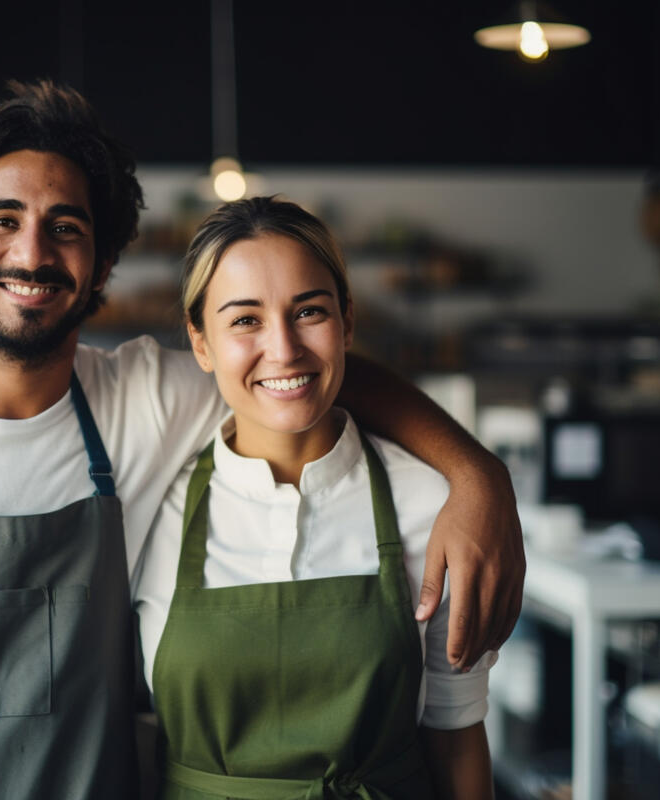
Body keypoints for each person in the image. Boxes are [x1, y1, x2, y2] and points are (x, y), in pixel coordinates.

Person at [0, 81, 522, 800]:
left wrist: (476, 475)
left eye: (65, 228)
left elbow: (302, 374)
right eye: (3, 221)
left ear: (99, 268)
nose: (32, 252)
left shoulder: (145, 399)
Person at [135, 196, 495, 800]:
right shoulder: (151, 506)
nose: (283, 349)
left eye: (308, 312)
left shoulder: (431, 504)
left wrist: (485, 480)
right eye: (244, 319)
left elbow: (457, 738)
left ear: (347, 323)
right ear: (201, 342)